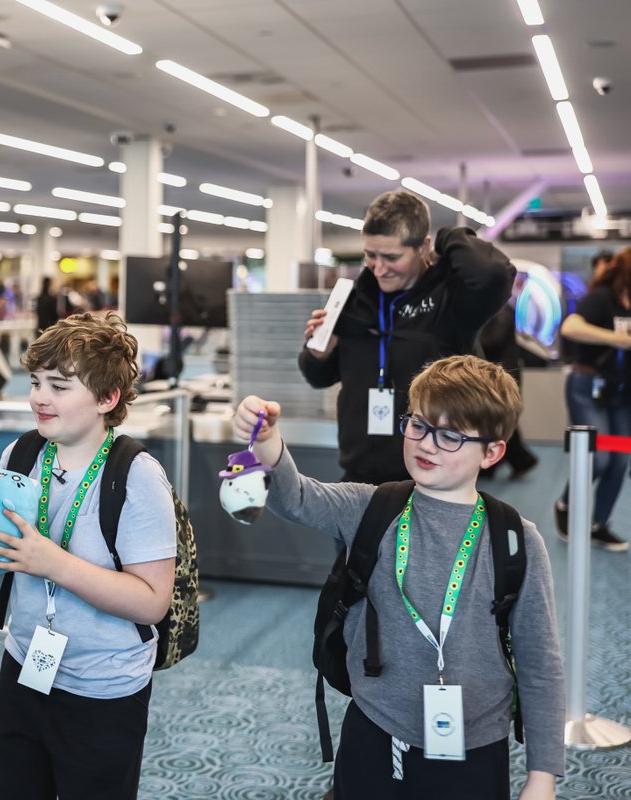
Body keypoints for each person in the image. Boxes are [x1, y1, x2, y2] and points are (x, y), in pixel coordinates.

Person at [234, 355, 563, 800]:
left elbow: (540, 662)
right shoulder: (372, 508)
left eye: (450, 435)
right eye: (419, 426)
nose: (427, 444)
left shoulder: (516, 540)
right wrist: (268, 441)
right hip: (375, 730)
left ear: (492, 451)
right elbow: (296, 498)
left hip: (477, 745)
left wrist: (542, 773)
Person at [0, 312, 177, 799]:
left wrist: (51, 561)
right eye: (36, 381)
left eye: (59, 386)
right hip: (23, 666)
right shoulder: (20, 456)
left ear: (107, 398)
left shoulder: (136, 475)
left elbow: (151, 603)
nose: (39, 396)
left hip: (103, 688)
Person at [299, 190, 515, 484]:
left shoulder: (450, 301)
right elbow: (319, 377)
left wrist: (447, 237)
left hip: (432, 477)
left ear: (423, 246)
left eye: (391, 257)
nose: (378, 268)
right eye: (370, 255)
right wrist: (318, 354)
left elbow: (494, 274)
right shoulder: (354, 299)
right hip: (358, 475)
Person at [552, 246, 631, 551]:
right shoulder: (601, 298)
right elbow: (570, 327)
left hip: (621, 395)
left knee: (620, 460)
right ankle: (565, 504)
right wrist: (619, 340)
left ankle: (598, 525)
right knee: (598, 458)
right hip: (588, 388)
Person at [477, 303, 538, 479]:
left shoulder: (501, 309)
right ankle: (508, 462)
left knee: (498, 421)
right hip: (496, 373)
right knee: (494, 420)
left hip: (502, 375)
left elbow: (493, 340)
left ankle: (521, 460)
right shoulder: (497, 308)